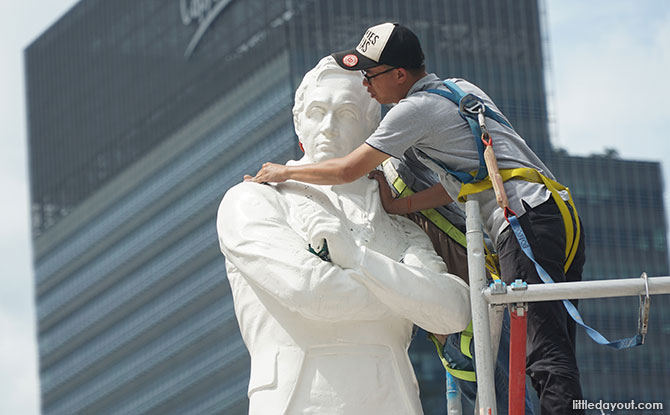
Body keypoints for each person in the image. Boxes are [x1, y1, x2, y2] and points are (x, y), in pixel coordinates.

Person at [246, 22, 586, 414]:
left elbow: (346, 171)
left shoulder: (413, 112)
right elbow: (466, 180)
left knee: (543, 349)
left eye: (370, 77)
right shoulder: (461, 90)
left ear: (399, 75)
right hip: (553, 211)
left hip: (521, 222)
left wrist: (284, 172)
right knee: (556, 343)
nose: (367, 85)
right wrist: (402, 206)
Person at [217, 56, 471, 415]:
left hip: (393, 402)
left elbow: (454, 310)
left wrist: (357, 260)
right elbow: (310, 291)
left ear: (372, 131)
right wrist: (409, 295)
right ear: (298, 121)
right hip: (299, 402)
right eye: (317, 111)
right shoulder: (253, 200)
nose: (329, 127)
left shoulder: (399, 223)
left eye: (348, 113)